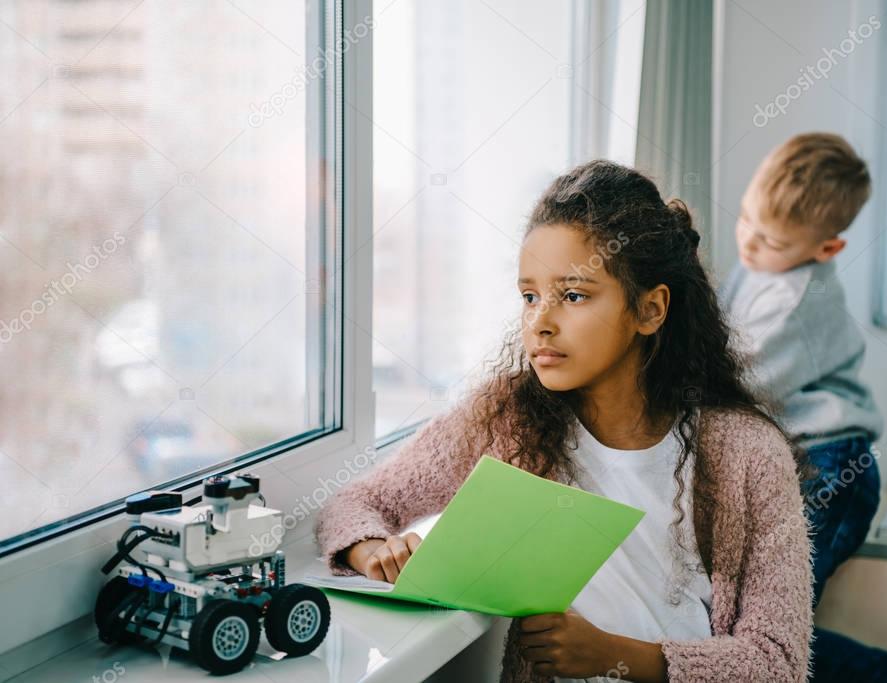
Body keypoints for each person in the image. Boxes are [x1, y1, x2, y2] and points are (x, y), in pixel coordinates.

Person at [316, 160, 813, 682]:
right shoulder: (505, 418)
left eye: (573, 296)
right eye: (529, 296)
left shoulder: (747, 453)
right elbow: (353, 504)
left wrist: (613, 657)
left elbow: (776, 662)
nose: (540, 322)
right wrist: (371, 548)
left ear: (650, 310)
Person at [720, 132, 887, 683]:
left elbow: (729, 388)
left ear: (826, 249)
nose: (748, 243)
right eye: (745, 218)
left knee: (764, 642)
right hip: (792, 464)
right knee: (745, 636)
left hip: (831, 468)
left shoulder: (796, 302)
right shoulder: (761, 264)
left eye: (769, 240)